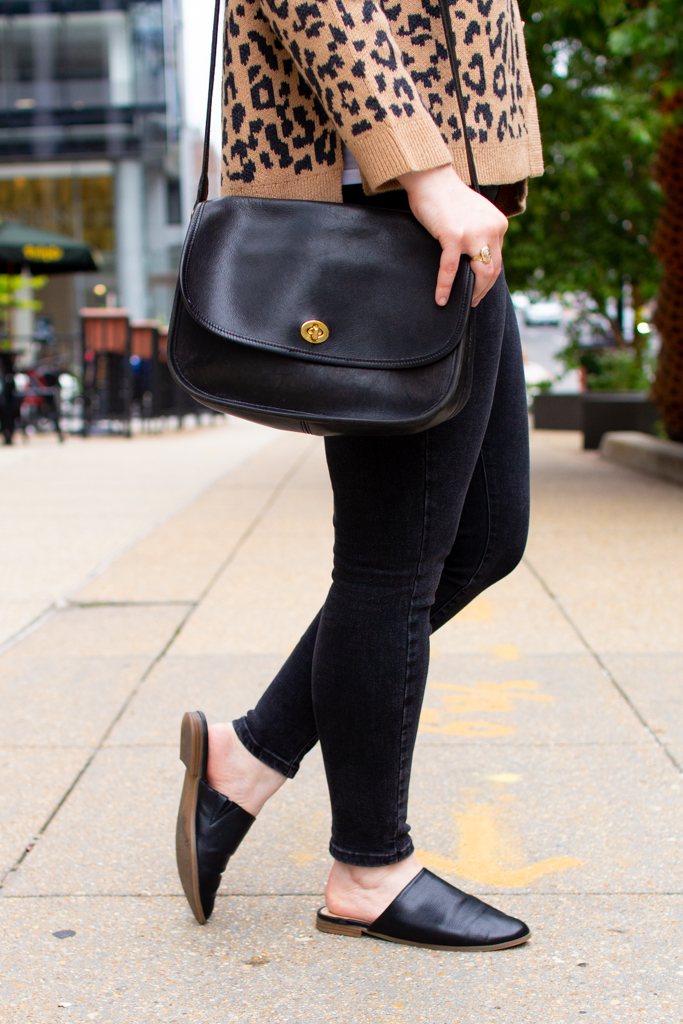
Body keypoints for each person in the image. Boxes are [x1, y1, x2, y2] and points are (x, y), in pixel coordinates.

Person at [176, 0, 543, 950]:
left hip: (455, 205)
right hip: (388, 205)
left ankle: (246, 758)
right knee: (392, 565)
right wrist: (420, 172)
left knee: (484, 539)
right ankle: (369, 868)